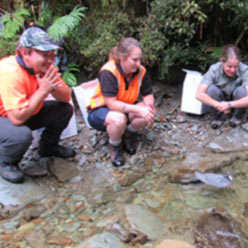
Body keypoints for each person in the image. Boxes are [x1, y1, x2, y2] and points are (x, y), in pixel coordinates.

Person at [0, 27, 76, 184]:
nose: (51, 60)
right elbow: (17, 119)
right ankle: (6, 162)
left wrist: (52, 86)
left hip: (27, 111)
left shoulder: (45, 68)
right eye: (45, 55)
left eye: (52, 55)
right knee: (20, 135)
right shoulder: (10, 71)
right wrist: (42, 91)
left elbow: (66, 97)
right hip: (5, 117)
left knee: (64, 110)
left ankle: (48, 146)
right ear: (25, 54)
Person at [87, 37, 155, 167]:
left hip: (126, 108)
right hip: (100, 110)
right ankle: (115, 145)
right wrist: (139, 109)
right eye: (134, 60)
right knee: (118, 119)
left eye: (140, 59)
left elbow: (148, 94)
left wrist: (149, 107)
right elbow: (112, 104)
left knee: (148, 113)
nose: (138, 63)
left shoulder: (140, 71)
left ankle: (129, 132)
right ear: (122, 58)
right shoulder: (109, 71)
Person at [196, 44, 248, 129]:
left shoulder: (244, 69)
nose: (232, 70)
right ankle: (218, 118)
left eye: (235, 67)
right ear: (222, 61)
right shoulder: (214, 69)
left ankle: (237, 118)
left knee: (242, 92)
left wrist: (229, 105)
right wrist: (218, 105)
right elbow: (199, 94)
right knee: (211, 90)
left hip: (235, 99)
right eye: (229, 66)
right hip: (220, 98)